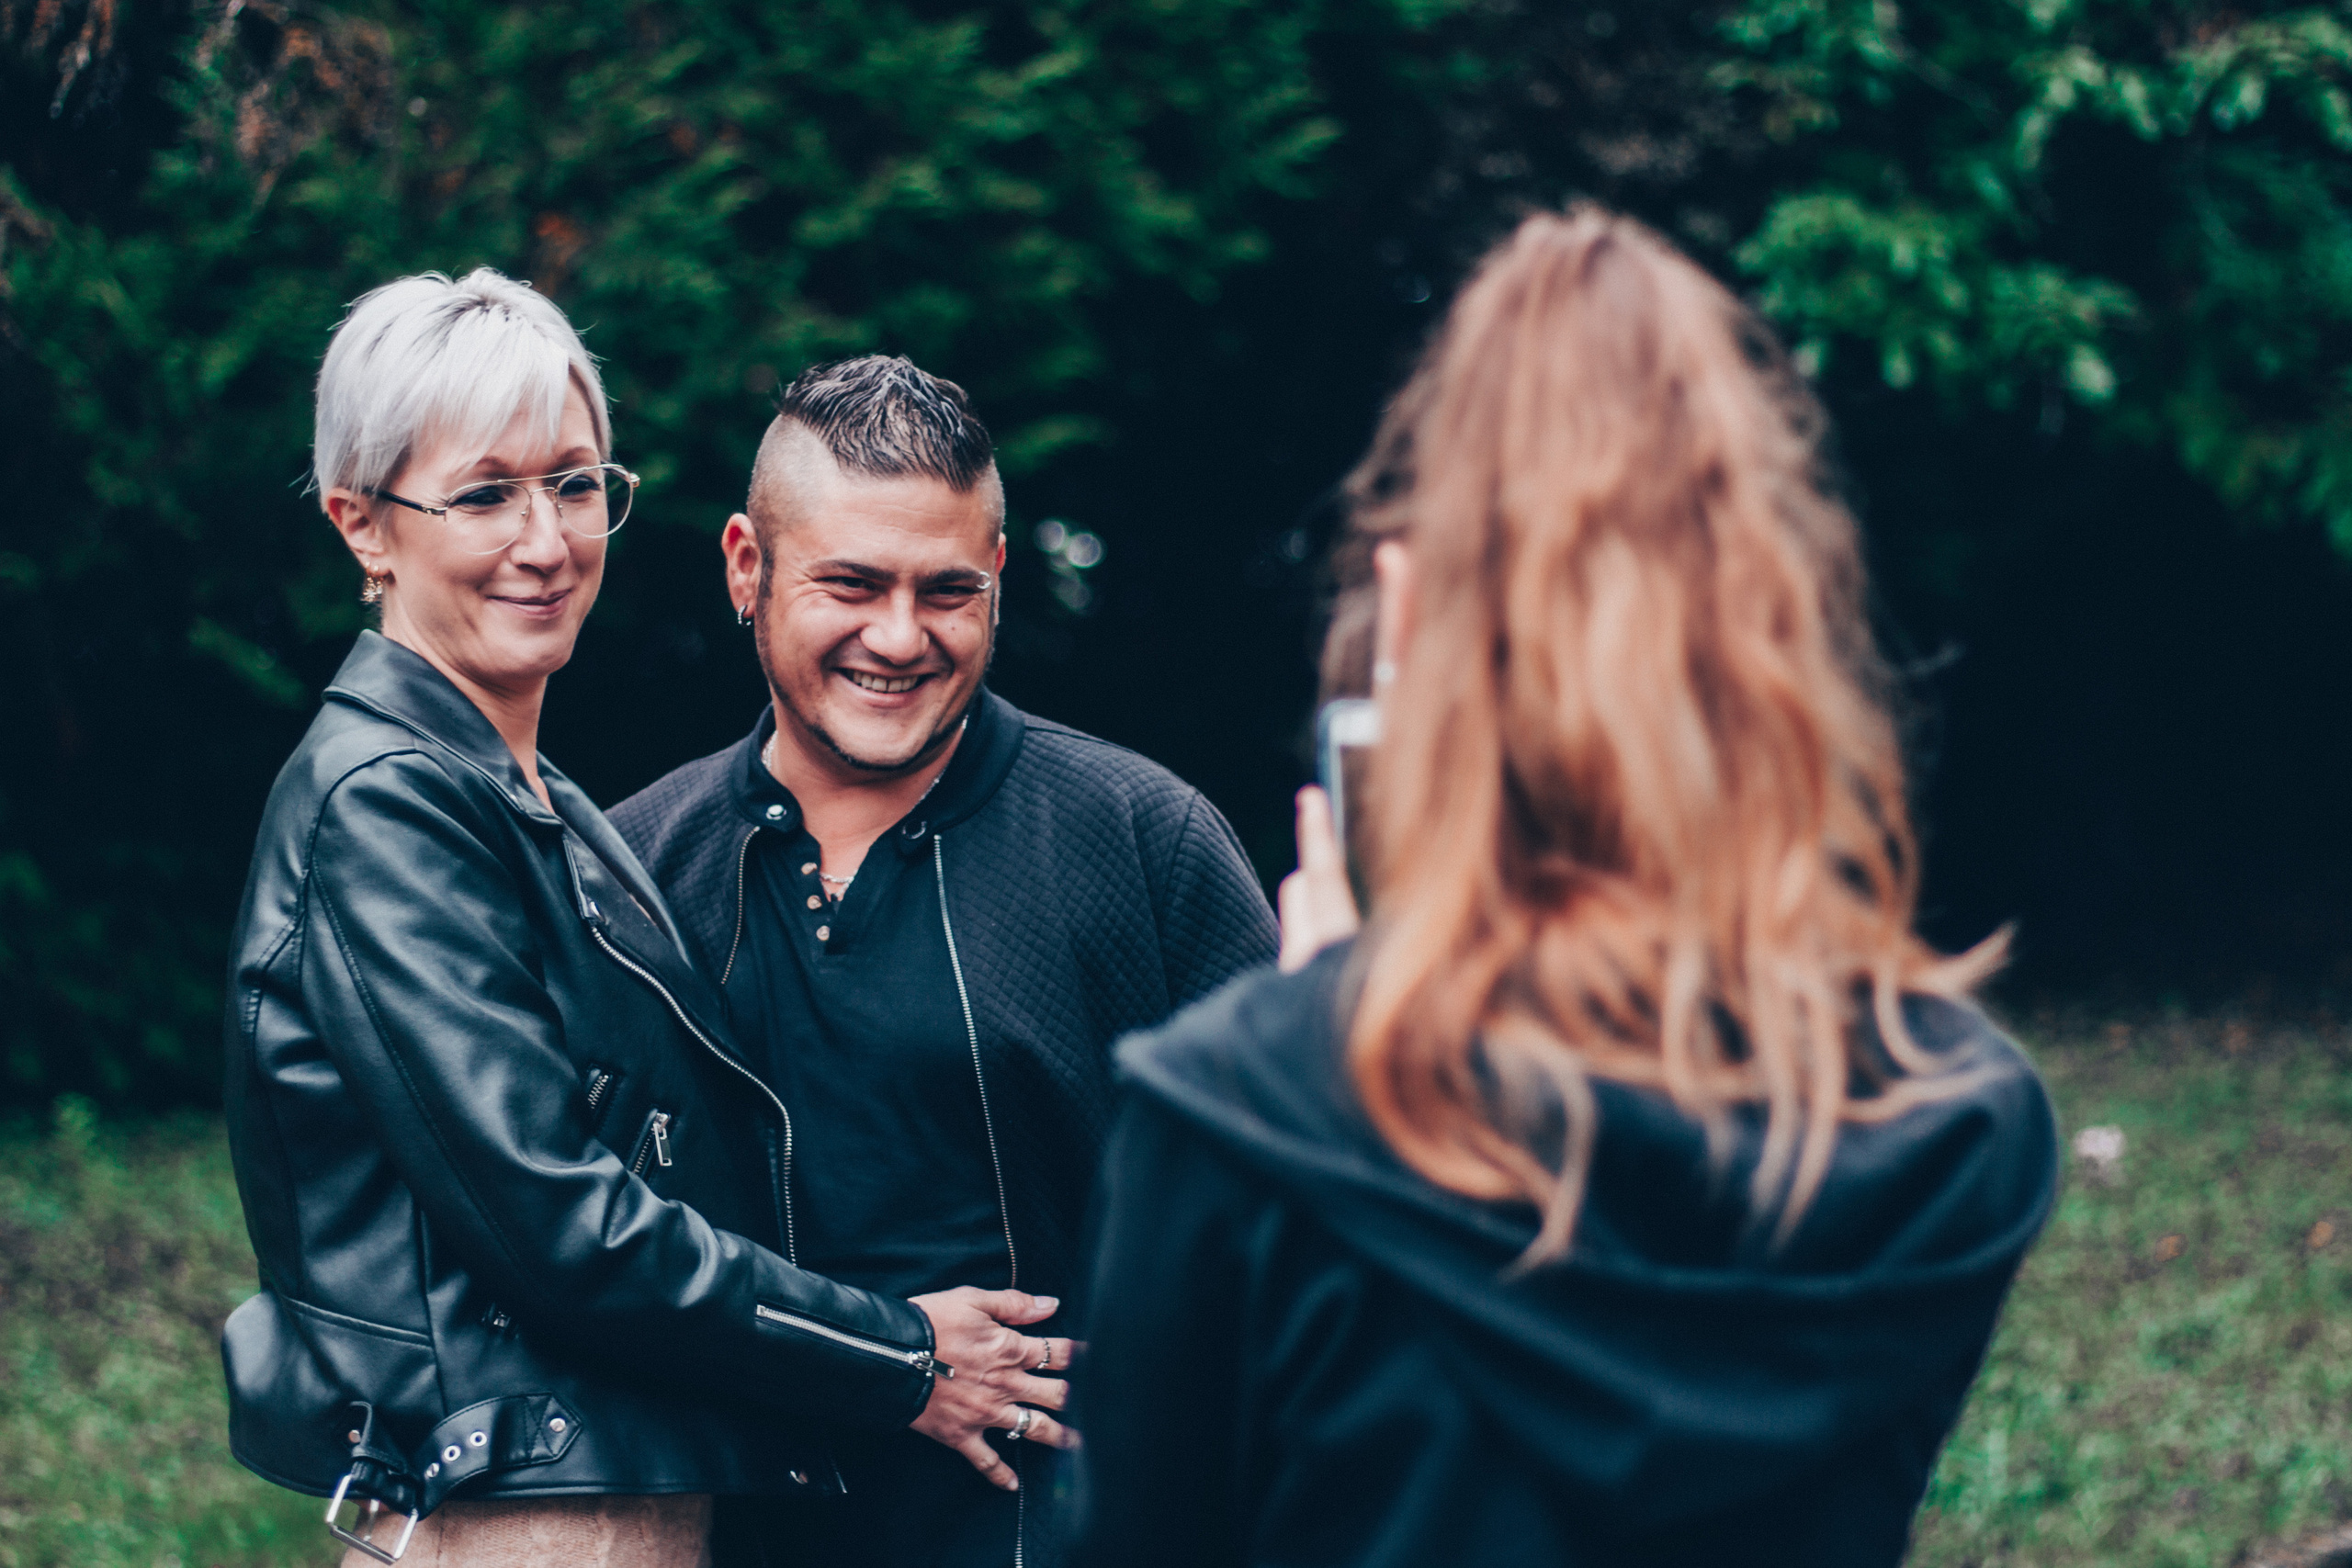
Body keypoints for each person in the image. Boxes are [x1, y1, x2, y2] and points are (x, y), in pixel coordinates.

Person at [1069, 209, 2060, 1568]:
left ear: (1411, 622)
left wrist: (1320, 1040)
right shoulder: (1956, 1126)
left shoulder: (1228, 1114)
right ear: (1773, 628)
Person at [221, 272, 1070, 1568]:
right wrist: (897, 1354)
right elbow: (559, 1226)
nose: (547, 540)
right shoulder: (381, 807)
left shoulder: (538, 798)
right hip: (515, 1521)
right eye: (485, 493)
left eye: (574, 483)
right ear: (363, 525)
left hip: (610, 1509)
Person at [609, 355, 1280, 1567]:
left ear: (1002, 583)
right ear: (746, 569)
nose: (901, 638)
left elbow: (1288, 1232)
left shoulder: (1142, 842)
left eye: (948, 591)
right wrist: (887, 1360)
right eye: (852, 585)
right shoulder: (630, 874)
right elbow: (583, 1253)